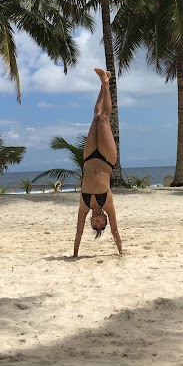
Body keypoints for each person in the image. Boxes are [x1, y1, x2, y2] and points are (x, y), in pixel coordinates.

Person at [73, 68, 123, 257]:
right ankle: (105, 83)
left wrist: (75, 254)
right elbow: (115, 231)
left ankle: (103, 82)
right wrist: (121, 252)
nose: (98, 222)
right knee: (103, 120)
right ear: (104, 219)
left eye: (95, 225)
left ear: (91, 222)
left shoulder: (84, 206)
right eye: (101, 223)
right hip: (106, 159)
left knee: (95, 116)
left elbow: (78, 232)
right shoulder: (107, 205)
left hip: (89, 158)